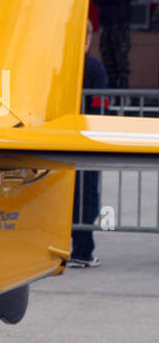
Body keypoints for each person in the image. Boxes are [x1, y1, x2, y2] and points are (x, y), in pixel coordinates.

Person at [70, 24, 109, 268]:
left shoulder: (61, 67)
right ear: (87, 38)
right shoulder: (94, 67)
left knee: (70, 196)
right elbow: (99, 103)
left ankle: (70, 246)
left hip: (61, 139)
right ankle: (83, 250)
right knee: (87, 196)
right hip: (87, 138)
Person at [92, 0, 132, 89]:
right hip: (106, 27)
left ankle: (123, 85)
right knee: (107, 55)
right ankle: (112, 82)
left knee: (121, 57)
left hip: (120, 27)